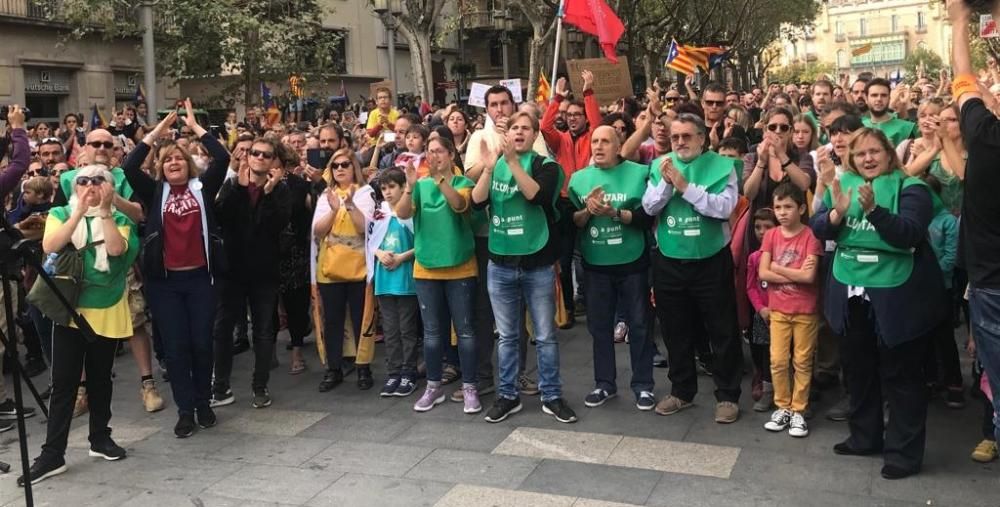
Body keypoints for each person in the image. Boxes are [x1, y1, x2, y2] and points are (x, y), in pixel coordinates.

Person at [811, 127, 946, 479]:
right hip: (851, 288)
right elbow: (820, 227)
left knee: (901, 375)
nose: (868, 159)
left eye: (874, 151)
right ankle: (864, 437)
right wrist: (836, 214)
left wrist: (874, 212)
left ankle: (903, 454)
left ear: (889, 154)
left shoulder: (911, 188)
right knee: (857, 370)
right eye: (860, 154)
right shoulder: (843, 185)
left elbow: (910, 233)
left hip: (898, 294)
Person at [19, 165, 139, 486]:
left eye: (98, 181)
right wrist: (79, 212)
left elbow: (116, 251)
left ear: (110, 187)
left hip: (107, 306)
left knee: (101, 378)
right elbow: (50, 245)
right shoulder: (60, 212)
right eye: (83, 181)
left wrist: (104, 212)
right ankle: (52, 454)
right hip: (70, 308)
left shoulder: (121, 220)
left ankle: (100, 437)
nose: (89, 185)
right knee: (64, 383)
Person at [121, 103, 229, 437]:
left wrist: (196, 127)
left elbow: (222, 159)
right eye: (167, 160)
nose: (173, 162)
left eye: (179, 158)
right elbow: (128, 165)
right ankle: (185, 410)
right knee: (177, 347)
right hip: (164, 283)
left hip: (200, 279)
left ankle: (203, 403)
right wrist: (154, 136)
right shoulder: (154, 193)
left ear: (189, 165)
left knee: (201, 343)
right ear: (160, 168)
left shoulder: (202, 189)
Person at [472, 111, 577, 424]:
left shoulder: (546, 166)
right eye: (514, 127)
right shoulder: (497, 164)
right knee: (506, 336)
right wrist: (490, 170)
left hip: (537, 264)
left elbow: (537, 197)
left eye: (526, 128)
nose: (519, 132)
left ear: (535, 136)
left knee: (544, 335)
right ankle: (508, 396)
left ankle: (552, 395)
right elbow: (477, 201)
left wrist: (513, 163)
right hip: (500, 263)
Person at [641, 113, 743, 424]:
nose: (680, 143)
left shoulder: (723, 166)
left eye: (687, 136)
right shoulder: (661, 166)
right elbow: (649, 207)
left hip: (711, 259)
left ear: (702, 138)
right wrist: (668, 186)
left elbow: (724, 208)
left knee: (722, 329)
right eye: (675, 138)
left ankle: (727, 395)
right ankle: (681, 391)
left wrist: (685, 186)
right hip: (670, 259)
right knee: (675, 329)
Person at [568, 126, 656, 411]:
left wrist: (615, 213)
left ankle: (643, 386)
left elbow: (647, 216)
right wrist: (588, 212)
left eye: (605, 141)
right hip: (596, 264)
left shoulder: (640, 173)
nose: (598, 146)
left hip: (633, 262)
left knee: (640, 324)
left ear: (619, 145)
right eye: (594, 141)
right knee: (599, 326)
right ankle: (604, 384)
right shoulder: (579, 180)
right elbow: (574, 222)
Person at [396, 136, 480, 413]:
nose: (434, 156)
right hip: (427, 269)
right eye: (430, 152)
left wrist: (439, 179)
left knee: (465, 331)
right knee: (432, 334)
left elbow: (459, 205)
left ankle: (469, 387)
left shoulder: (463, 183)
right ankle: (433, 387)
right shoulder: (419, 186)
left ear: (451, 153)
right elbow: (402, 213)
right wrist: (409, 187)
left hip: (461, 268)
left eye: (439, 151)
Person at [212, 137, 291, 409]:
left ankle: (260, 386)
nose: (258, 157)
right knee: (223, 328)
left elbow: (276, 225)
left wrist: (267, 194)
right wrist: (239, 191)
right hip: (232, 271)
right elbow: (221, 218)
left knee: (263, 331)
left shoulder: (279, 191)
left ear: (273, 161)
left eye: (265, 155)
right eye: (254, 153)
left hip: (264, 272)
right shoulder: (233, 184)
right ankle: (220, 386)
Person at [758, 183, 823, 437]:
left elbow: (809, 277)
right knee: (777, 360)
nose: (782, 212)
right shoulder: (771, 236)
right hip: (778, 309)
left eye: (788, 207)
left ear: (802, 208)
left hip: (805, 309)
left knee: (803, 361)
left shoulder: (810, 236)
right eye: (778, 207)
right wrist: (793, 274)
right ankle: (783, 405)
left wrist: (779, 269)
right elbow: (763, 272)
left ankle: (799, 409)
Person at [541, 71, 601, 324]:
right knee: (564, 261)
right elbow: (544, 126)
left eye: (578, 115)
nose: (573, 119)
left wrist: (588, 92)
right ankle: (567, 307)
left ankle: (592, 302)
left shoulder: (593, 137)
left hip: (590, 200)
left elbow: (599, 125)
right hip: (565, 203)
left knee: (592, 257)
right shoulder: (559, 140)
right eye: (569, 115)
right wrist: (556, 99)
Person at [313, 148, 372, 392]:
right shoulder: (325, 196)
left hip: (358, 267)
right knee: (333, 320)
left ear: (354, 167)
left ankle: (363, 367)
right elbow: (317, 230)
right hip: (330, 267)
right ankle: (333, 368)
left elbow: (364, 229)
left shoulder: (366, 193)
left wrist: (349, 206)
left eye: (345, 165)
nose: (339, 169)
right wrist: (335, 208)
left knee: (361, 319)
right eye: (335, 165)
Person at [366, 168, 419, 398]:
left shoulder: (410, 212)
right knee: (390, 329)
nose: (387, 192)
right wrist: (378, 253)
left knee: (407, 329)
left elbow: (422, 242)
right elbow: (369, 241)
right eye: (384, 188)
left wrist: (401, 257)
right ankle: (393, 371)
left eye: (392, 187)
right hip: (384, 280)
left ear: (402, 187)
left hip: (405, 279)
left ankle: (409, 371)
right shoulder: (379, 214)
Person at [746, 207, 778, 412]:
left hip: (784, 313)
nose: (761, 231)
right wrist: (760, 308)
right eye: (758, 227)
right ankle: (767, 390)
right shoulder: (754, 258)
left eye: (767, 226)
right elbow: (750, 286)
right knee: (764, 354)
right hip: (763, 315)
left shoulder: (784, 254)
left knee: (789, 354)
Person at [862, 78, 916, 147]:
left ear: (889, 98)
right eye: (874, 95)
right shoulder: (860, 126)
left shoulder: (906, 128)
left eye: (884, 95)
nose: (879, 99)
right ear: (866, 99)